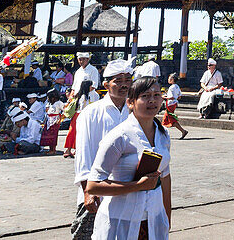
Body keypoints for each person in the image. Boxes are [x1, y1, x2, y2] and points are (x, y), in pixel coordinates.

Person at [86, 76, 172, 240]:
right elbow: (93, 186)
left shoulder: (163, 134)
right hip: (121, 220)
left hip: (153, 219)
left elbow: (165, 177)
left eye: (156, 95)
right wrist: (136, 186)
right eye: (145, 96)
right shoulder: (119, 137)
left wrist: (166, 217)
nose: (152, 100)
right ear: (130, 103)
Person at [73, 59, 133, 240]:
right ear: (106, 84)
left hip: (127, 187)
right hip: (97, 188)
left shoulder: (134, 112)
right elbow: (84, 153)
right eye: (118, 81)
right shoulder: (92, 112)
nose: (124, 85)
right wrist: (88, 191)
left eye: (127, 80)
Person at [65, 80, 100, 158]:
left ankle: (74, 149)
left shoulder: (88, 95)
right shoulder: (83, 96)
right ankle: (70, 149)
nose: (92, 87)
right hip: (80, 115)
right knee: (75, 132)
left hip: (82, 115)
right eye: (91, 85)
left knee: (78, 132)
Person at [161, 73, 188, 139]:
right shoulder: (177, 86)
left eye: (169, 78)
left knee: (171, 119)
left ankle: (183, 131)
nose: (168, 80)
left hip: (170, 104)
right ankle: (162, 133)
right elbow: (179, 96)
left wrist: (163, 97)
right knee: (165, 119)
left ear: (172, 79)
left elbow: (171, 97)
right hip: (174, 103)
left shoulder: (171, 87)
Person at [42, 89, 64, 153]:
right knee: (48, 135)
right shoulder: (50, 104)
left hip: (55, 121)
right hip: (49, 120)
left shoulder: (59, 103)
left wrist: (60, 118)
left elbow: (64, 110)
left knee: (53, 135)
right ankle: (50, 149)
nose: (47, 99)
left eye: (48, 97)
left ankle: (53, 149)